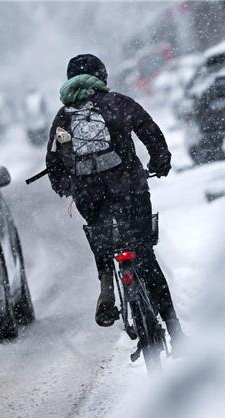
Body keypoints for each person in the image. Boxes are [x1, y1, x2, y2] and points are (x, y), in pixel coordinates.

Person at [45, 53, 184, 350]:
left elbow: (53, 163)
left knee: (101, 236)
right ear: (102, 77)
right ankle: (175, 330)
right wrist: (161, 162)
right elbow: (150, 131)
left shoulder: (63, 117)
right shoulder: (118, 103)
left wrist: (67, 186)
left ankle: (106, 282)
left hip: (89, 196)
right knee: (144, 255)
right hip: (129, 189)